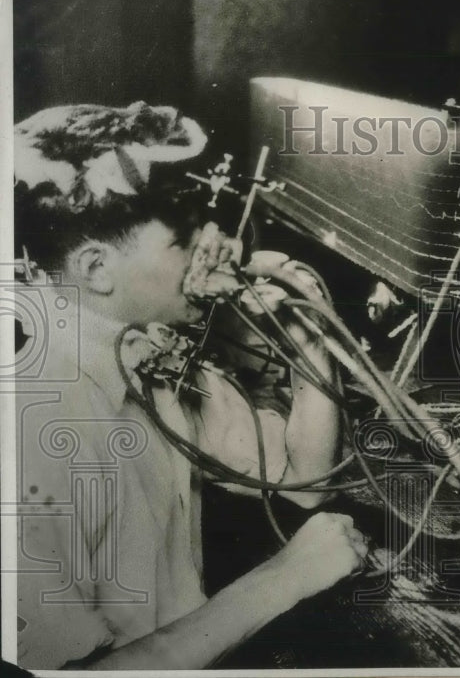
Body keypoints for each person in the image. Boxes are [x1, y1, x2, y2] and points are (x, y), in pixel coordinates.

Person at [13, 102, 368, 670]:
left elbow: (304, 480)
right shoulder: (33, 435)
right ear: (96, 269)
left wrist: (311, 346)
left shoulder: (148, 359)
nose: (219, 247)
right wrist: (283, 579)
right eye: (183, 239)